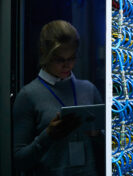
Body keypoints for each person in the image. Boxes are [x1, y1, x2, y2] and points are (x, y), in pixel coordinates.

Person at [13, 20, 103, 176]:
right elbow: (19, 160)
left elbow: (110, 149)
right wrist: (47, 137)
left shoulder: (88, 89)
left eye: (72, 58)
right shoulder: (28, 95)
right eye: (60, 59)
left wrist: (97, 135)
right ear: (45, 54)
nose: (67, 65)